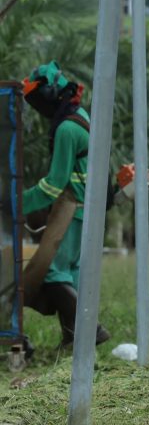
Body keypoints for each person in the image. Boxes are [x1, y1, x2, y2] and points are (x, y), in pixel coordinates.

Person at [21, 60, 110, 350]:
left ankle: (90, 330)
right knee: (70, 273)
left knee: (51, 273)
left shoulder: (66, 130)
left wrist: (18, 201)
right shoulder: (81, 117)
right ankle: (73, 338)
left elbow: (54, 184)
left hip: (70, 209)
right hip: (87, 209)